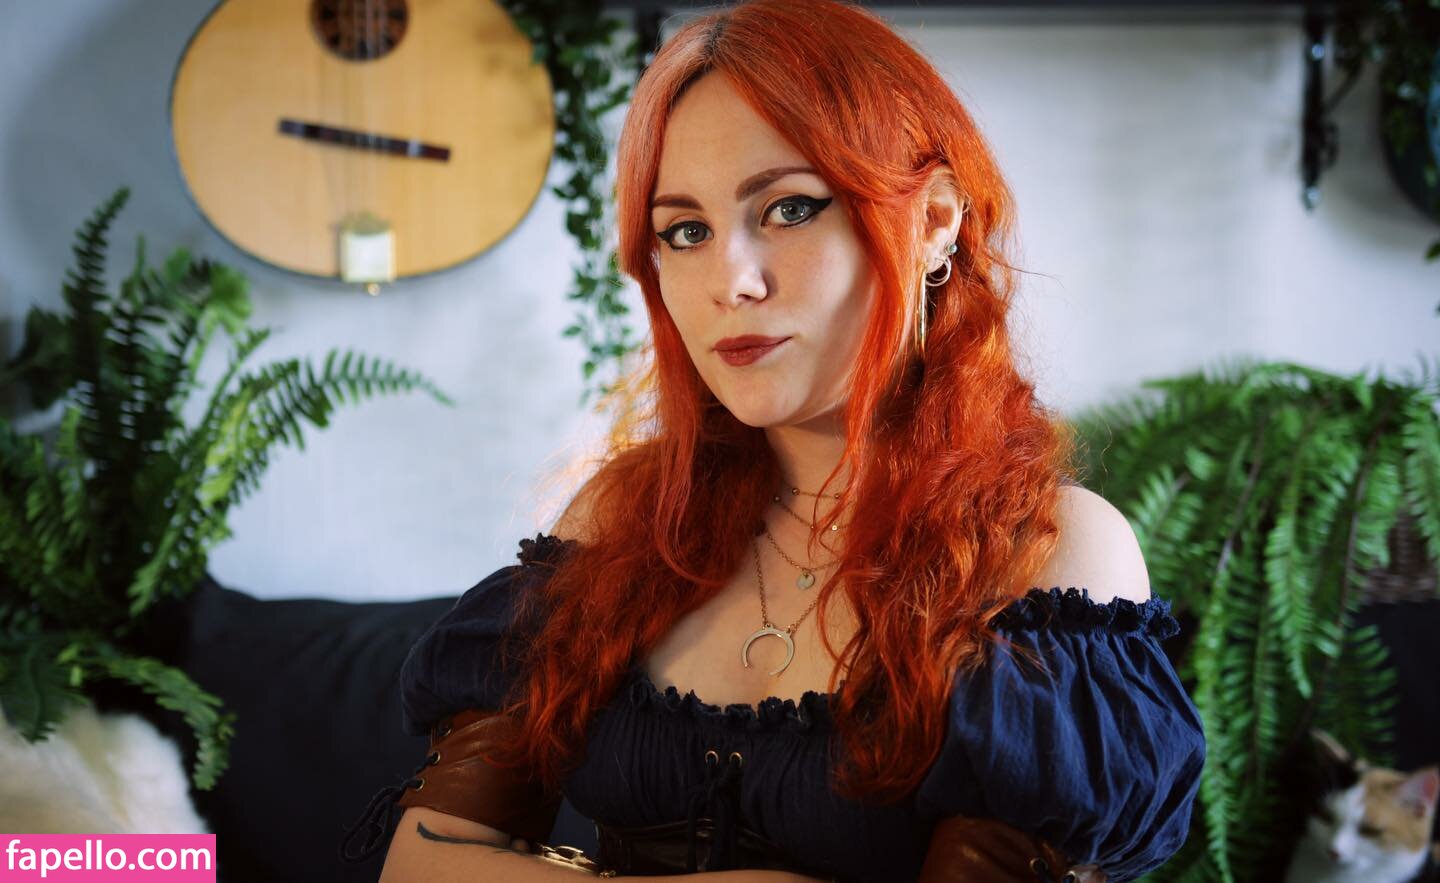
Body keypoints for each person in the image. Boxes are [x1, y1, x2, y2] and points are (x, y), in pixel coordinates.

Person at [340, 0, 1206, 880]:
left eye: (789, 208)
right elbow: (421, 864)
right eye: (686, 231)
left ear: (934, 219)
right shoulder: (622, 519)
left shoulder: (1048, 553)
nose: (733, 281)